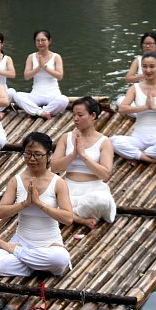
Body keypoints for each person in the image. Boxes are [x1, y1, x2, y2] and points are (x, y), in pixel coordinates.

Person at [0, 133, 72, 277]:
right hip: (22, 242)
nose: (32, 159)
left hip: (49, 245)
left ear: (49, 155)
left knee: (60, 259)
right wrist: (24, 204)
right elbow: (0, 212)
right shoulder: (16, 181)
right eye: (27, 154)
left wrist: (39, 203)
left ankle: (18, 254)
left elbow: (68, 218)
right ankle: (38, 265)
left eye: (37, 155)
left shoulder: (58, 183)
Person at [51, 97, 116, 228]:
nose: (75, 119)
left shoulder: (104, 142)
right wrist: (73, 154)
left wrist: (83, 156)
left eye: (80, 115)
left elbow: (105, 175)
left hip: (94, 189)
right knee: (44, 197)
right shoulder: (66, 137)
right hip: (69, 187)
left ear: (93, 115)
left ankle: (65, 215)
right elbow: (54, 167)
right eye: (74, 115)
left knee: (101, 201)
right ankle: (81, 219)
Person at [112, 53, 156, 162]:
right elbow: (122, 109)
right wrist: (145, 107)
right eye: (144, 66)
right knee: (112, 141)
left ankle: (140, 155)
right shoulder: (135, 88)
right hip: (139, 138)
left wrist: (154, 107)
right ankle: (150, 159)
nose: (148, 70)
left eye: (152, 66)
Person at [10, 30, 68, 119]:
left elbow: (59, 76)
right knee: (17, 95)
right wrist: (38, 68)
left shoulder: (56, 57)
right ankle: (40, 112)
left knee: (64, 100)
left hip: (53, 94)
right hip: (36, 94)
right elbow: (27, 76)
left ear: (49, 41)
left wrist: (45, 67)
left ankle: (38, 112)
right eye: (38, 40)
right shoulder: (31, 57)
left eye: (43, 40)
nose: (40, 43)